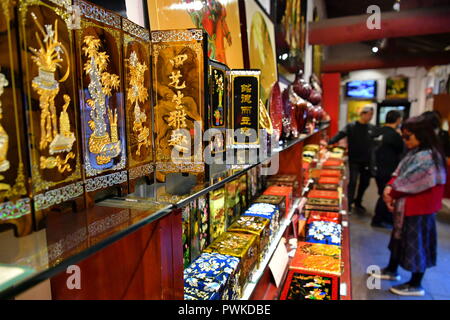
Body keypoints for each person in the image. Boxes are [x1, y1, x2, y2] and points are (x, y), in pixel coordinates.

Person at [372, 115, 447, 296]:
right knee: (398, 240)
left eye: (408, 137)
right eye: (404, 137)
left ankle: (415, 284)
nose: (405, 141)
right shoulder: (417, 152)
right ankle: (391, 270)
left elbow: (409, 181)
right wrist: (390, 187)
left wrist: (391, 191)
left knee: (417, 245)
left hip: (419, 209)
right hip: (407, 207)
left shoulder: (427, 156)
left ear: (422, 135)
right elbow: (399, 174)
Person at [328, 106, 376, 213]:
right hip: (354, 159)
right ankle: (348, 205)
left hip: (367, 161)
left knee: (365, 183)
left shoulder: (372, 128)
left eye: (372, 115)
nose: (370, 117)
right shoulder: (351, 126)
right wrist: (329, 143)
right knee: (353, 182)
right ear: (363, 114)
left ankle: (358, 202)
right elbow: (340, 135)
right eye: (369, 114)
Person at [371, 110, 404, 228]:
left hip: (376, 167)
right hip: (388, 168)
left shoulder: (377, 131)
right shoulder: (395, 135)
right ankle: (378, 219)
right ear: (398, 120)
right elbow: (401, 150)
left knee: (383, 192)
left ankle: (384, 217)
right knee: (385, 194)